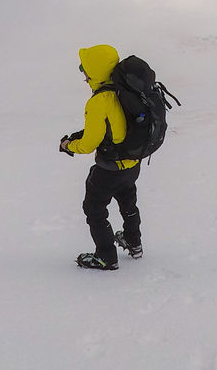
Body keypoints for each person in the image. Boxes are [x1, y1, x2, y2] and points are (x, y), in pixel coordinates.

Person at [60, 43, 143, 270]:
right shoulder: (124, 90)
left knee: (94, 209)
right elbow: (111, 128)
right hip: (132, 164)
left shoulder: (98, 101)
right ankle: (134, 242)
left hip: (109, 169)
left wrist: (70, 146)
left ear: (95, 71)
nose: (84, 75)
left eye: (84, 69)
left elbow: (89, 144)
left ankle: (106, 256)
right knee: (128, 203)